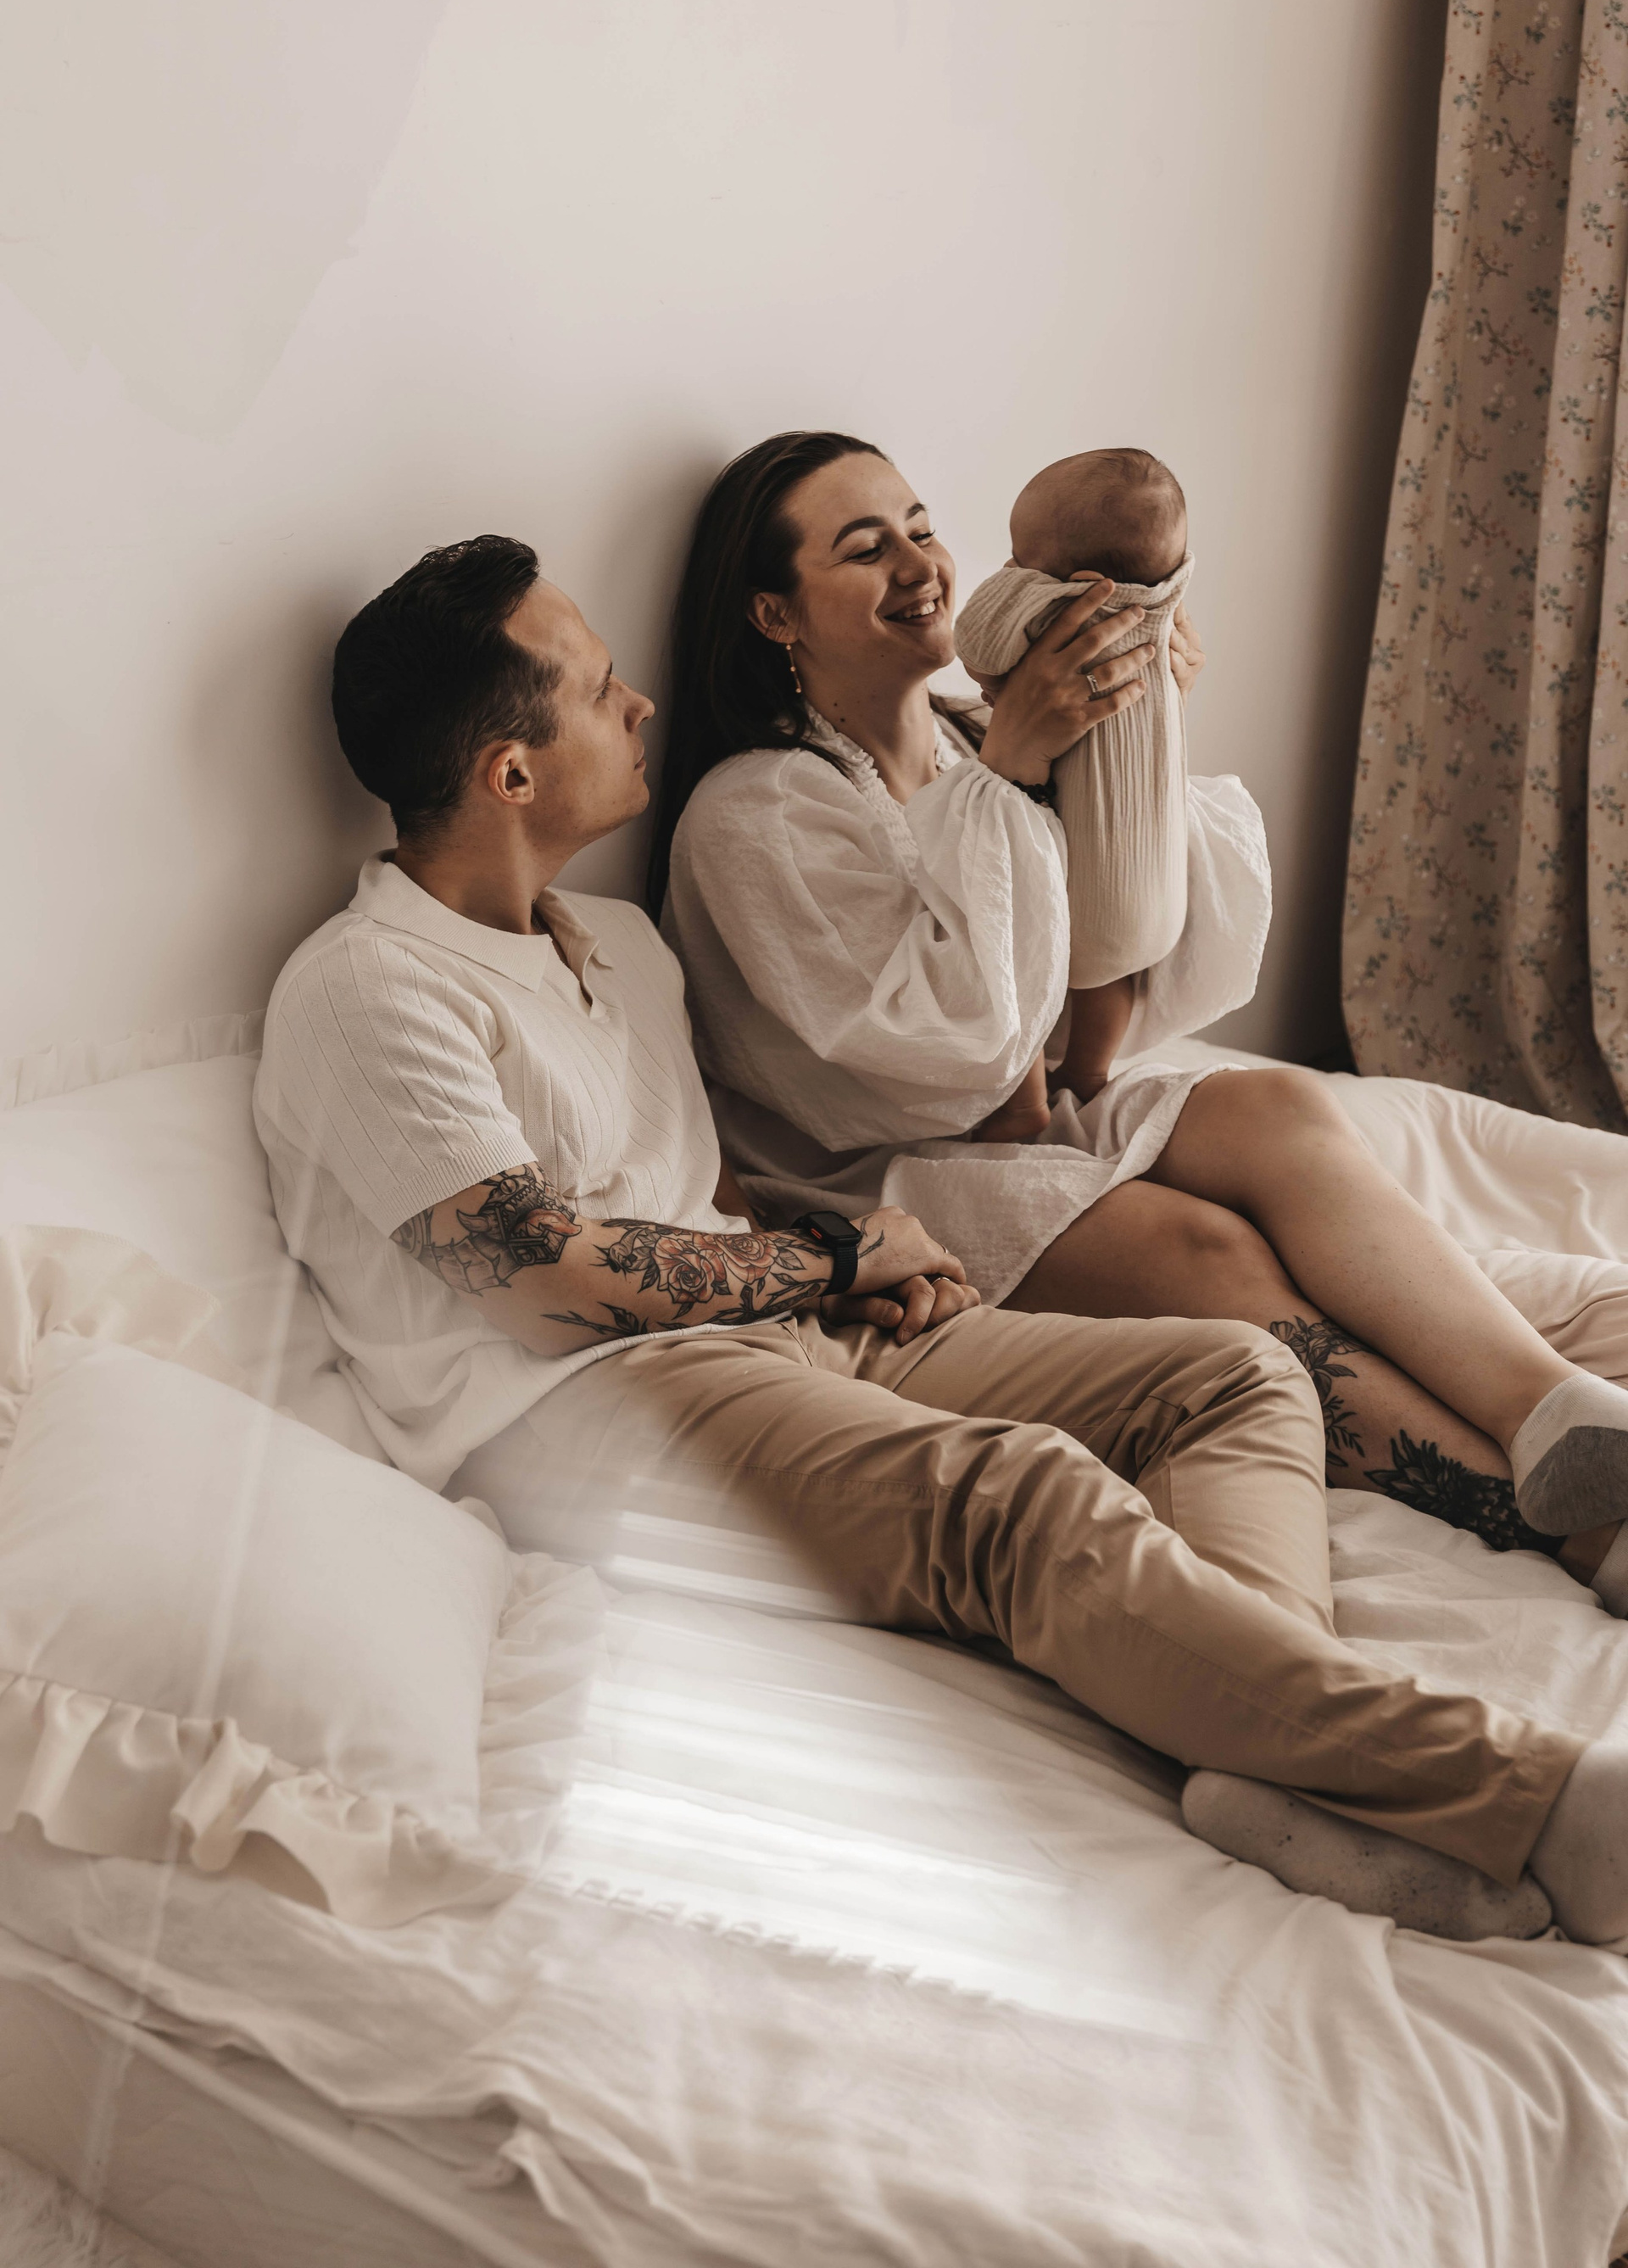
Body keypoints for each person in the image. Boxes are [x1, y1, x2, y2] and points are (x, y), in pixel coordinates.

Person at [253, 528, 1628, 1947]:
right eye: (602, 691)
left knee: (1232, 1373)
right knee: (1021, 1502)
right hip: (569, 1409)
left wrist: (843, 1267)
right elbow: (539, 1281)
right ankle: (1535, 1803)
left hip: (761, 1333)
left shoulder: (615, 944)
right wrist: (837, 1259)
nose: (639, 701)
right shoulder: (370, 988)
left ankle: (1276, 1761)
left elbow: (692, 1198)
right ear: (511, 773)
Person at [651, 430, 1628, 1581]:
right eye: (866, 550)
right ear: (775, 614)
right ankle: (1564, 1528)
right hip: (881, 1175)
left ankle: (1550, 1406)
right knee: (1199, 1246)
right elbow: (956, 1053)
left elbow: (1116, 988)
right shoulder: (761, 811)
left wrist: (1135, 734)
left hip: (1029, 1111)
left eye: (921, 529)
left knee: (1275, 1108)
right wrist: (1014, 773)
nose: (919, 566)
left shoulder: (971, 737)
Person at [954, 446, 1193, 1134]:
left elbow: (975, 642)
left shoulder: (1068, 608)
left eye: (1020, 557)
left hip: (1080, 894)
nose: (1013, 568)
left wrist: (1014, 592)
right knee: (1113, 971)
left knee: (1017, 954)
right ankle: (1088, 1073)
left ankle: (1025, 1106)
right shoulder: (1169, 595)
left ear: (1083, 582)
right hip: (1157, 889)